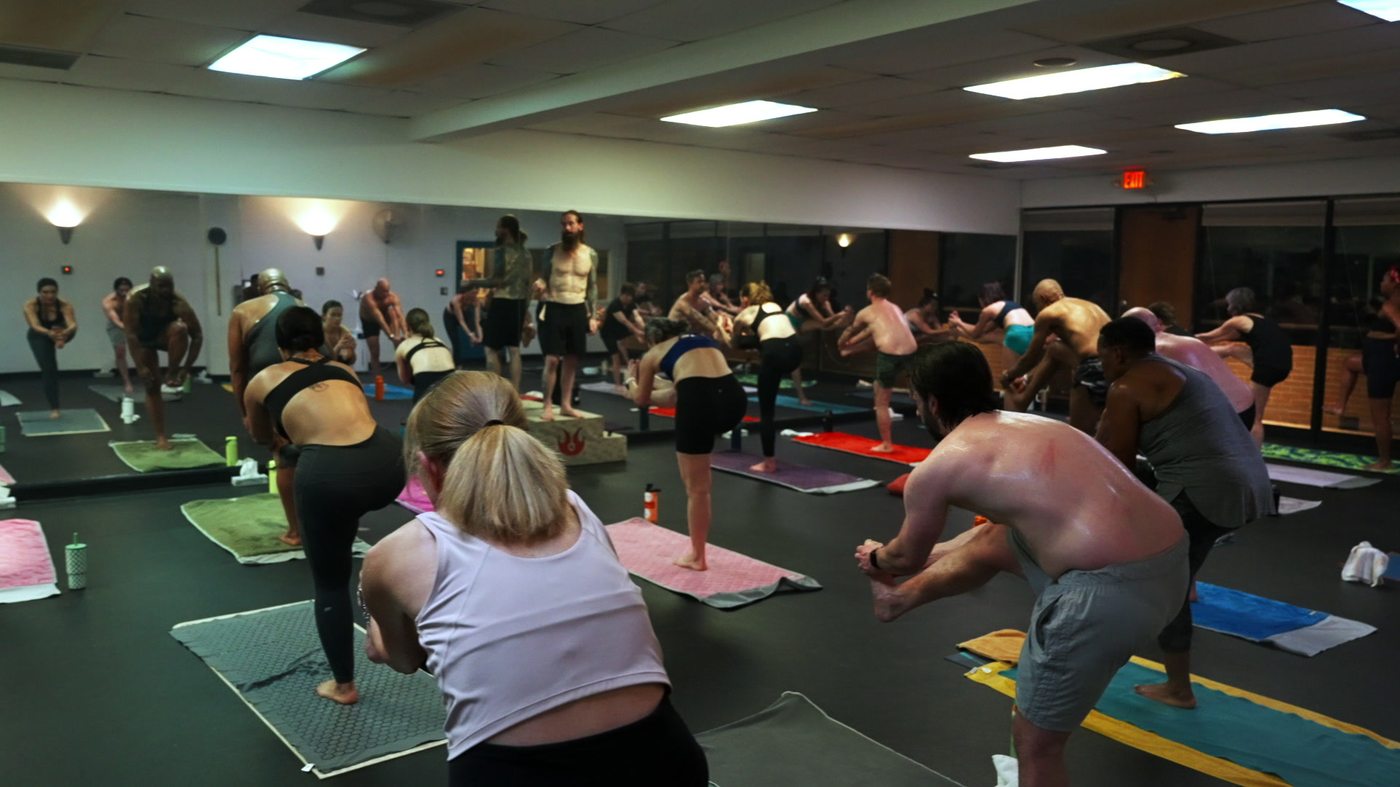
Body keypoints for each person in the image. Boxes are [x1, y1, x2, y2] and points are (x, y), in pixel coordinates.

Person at [853, 341, 1188, 787]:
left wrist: (875, 557)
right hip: (1174, 564)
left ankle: (893, 592)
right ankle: (896, 601)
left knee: (1034, 745)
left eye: (916, 401)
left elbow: (904, 556)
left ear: (932, 403)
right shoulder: (1035, 425)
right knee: (997, 536)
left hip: (1107, 596)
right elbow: (987, 536)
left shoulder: (938, 466)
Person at [360, 372, 707, 785]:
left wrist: (376, 635)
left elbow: (402, 658)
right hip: (666, 759)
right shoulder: (577, 510)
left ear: (428, 470)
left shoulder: (395, 554)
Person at [1095, 317, 1272, 709]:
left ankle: (1178, 689)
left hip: (1204, 489)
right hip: (1251, 482)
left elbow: (1119, 469)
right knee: (1175, 569)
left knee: (1165, 585)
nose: (1101, 364)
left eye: (1102, 356)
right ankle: (1180, 577)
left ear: (1118, 352)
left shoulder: (1126, 387)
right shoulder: (1180, 370)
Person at [244, 306, 402, 706]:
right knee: (344, 513)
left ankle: (344, 686)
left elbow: (264, 438)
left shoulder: (262, 380)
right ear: (321, 339)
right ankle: (408, 641)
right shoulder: (345, 371)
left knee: (331, 583)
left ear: (280, 346)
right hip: (389, 463)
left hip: (331, 477)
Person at [626, 318, 747, 571]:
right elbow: (680, 390)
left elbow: (641, 399)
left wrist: (630, 381)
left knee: (697, 489)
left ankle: (697, 556)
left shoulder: (652, 354)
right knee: (701, 486)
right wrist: (656, 384)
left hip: (699, 401)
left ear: (652, 339)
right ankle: (697, 553)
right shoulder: (702, 341)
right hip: (734, 400)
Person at [228, 268, 302, 544]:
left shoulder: (243, 310)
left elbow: (237, 369)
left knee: (283, 451)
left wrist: (246, 413)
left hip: (269, 378)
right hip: (314, 380)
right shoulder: (304, 307)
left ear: (261, 289)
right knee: (308, 450)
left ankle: (295, 530)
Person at [1000, 278, 1111, 435]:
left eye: (1037, 307)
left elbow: (1030, 358)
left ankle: (1021, 399)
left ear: (1044, 299)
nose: (1038, 312)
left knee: (1079, 436)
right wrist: (1025, 377)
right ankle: (1023, 397)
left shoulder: (1049, 313)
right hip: (1116, 366)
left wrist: (1008, 375)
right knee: (1055, 349)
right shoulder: (1088, 306)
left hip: (1092, 369)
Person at [1121, 307, 1257, 430]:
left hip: (1221, 415)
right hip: (1247, 406)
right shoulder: (1185, 339)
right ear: (1159, 324)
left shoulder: (1151, 348)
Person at [1196, 286, 1293, 446]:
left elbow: (1209, 336)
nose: (1227, 308)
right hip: (1283, 364)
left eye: (1229, 304)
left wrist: (1183, 338)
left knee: (1255, 417)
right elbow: (1224, 339)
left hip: (1268, 365)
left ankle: (1253, 458)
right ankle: (1201, 359)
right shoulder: (1259, 320)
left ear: (1234, 305)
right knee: (1233, 349)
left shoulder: (1238, 320)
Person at [123, 267, 203, 450]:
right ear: (151, 285)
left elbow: (197, 336)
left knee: (180, 329)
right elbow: (131, 335)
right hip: (143, 341)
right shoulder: (135, 299)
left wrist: (185, 369)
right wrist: (140, 367)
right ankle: (160, 436)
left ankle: (171, 373)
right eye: (161, 287)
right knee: (152, 386)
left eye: (169, 286)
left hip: (166, 337)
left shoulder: (178, 302)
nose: (165, 291)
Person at [837, 274, 918, 453]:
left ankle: (887, 444)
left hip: (889, 355)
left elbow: (851, 330)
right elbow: (872, 329)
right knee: (875, 342)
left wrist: (842, 343)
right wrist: (851, 344)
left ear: (870, 292)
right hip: (911, 352)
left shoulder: (866, 312)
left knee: (881, 403)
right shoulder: (895, 308)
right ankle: (850, 351)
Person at [534, 210, 598, 421]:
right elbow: (543, 278)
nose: (567, 228)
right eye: (564, 224)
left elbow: (592, 287)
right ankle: (547, 405)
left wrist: (594, 315)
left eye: (570, 224)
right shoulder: (551, 251)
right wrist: (540, 285)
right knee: (552, 360)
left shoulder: (591, 254)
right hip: (554, 306)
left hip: (578, 308)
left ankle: (566, 404)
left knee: (571, 360)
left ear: (580, 226)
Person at [733, 282, 802, 474]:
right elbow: (767, 335)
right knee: (766, 348)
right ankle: (769, 460)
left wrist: (729, 332)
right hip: (795, 351)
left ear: (745, 299)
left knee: (767, 412)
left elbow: (735, 341)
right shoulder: (776, 307)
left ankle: (769, 463)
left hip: (774, 353)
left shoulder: (747, 312)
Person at [1339, 267, 1400, 468]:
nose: (1381, 284)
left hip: (1383, 360)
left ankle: (1384, 460)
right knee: (1350, 363)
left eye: (1384, 280)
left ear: (1394, 284)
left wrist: (1391, 339)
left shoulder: (1391, 305)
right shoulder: (1391, 304)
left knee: (1380, 415)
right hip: (1376, 358)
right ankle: (1340, 405)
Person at [476, 216, 534, 390]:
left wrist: (472, 282)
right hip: (518, 303)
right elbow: (528, 285)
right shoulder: (526, 254)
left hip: (502, 301)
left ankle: (495, 390)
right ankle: (515, 392)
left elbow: (496, 281)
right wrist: (525, 310)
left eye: (498, 227)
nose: (496, 231)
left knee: (491, 349)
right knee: (514, 349)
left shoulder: (501, 251)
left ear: (505, 230)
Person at [786, 277, 852, 403]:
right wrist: (840, 315)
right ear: (816, 293)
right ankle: (802, 397)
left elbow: (832, 320)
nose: (826, 298)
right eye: (824, 295)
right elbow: (823, 320)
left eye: (828, 295)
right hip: (789, 321)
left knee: (828, 326)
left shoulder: (825, 301)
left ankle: (848, 327)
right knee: (795, 359)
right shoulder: (806, 302)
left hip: (802, 322)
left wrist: (845, 317)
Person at [23, 278, 78, 419]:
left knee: (69, 329)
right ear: (39, 292)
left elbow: (72, 324)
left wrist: (63, 334)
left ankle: (60, 340)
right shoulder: (30, 305)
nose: (49, 296)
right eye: (45, 292)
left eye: (53, 292)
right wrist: (50, 334)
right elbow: (34, 325)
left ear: (57, 292)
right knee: (49, 369)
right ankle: (54, 408)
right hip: (39, 335)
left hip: (61, 331)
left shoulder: (64, 305)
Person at [948, 282, 1035, 367]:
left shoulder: (988, 310)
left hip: (1016, 333)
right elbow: (984, 331)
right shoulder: (1010, 305)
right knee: (991, 336)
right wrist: (960, 330)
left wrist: (958, 322)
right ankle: (958, 332)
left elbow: (975, 333)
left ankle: (957, 332)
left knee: (1008, 377)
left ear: (983, 299)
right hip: (1034, 332)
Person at [396, 308, 458, 403]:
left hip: (425, 378)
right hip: (450, 378)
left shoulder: (404, 345)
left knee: (420, 415)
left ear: (407, 325)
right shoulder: (439, 341)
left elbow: (405, 380)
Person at [359, 277, 407, 380]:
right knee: (375, 351)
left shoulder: (392, 297)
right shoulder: (368, 299)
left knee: (393, 313)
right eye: (383, 291)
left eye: (387, 291)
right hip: (369, 321)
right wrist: (391, 336)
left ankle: (404, 375)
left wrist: (406, 333)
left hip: (385, 316)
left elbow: (400, 316)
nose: (386, 294)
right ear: (376, 288)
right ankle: (378, 380)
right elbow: (379, 319)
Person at [601, 283, 647, 389]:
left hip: (621, 330)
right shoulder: (615, 305)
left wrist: (644, 329)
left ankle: (631, 367)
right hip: (609, 332)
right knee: (615, 357)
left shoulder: (631, 304)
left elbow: (637, 317)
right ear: (622, 295)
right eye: (627, 296)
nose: (629, 299)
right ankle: (618, 385)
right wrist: (637, 332)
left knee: (637, 329)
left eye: (631, 296)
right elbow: (625, 321)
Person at [669, 270, 728, 341]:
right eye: (699, 282)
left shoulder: (703, 301)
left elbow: (713, 316)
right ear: (690, 284)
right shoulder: (682, 303)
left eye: (704, 281)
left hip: (690, 335)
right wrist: (719, 332)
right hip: (674, 337)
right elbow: (701, 319)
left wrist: (724, 322)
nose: (703, 284)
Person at [101, 277, 135, 394]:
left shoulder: (135, 297)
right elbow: (115, 321)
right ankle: (127, 381)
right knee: (120, 351)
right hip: (116, 325)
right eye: (122, 291)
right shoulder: (109, 301)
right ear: (116, 290)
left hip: (133, 321)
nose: (125, 293)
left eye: (127, 290)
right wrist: (127, 329)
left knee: (142, 349)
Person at [443, 285, 482, 369]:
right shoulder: (456, 300)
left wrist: (480, 335)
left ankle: (473, 339)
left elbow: (477, 321)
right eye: (472, 293)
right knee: (455, 341)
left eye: (476, 293)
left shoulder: (476, 301)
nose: (474, 295)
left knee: (470, 315)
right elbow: (461, 321)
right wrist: (470, 334)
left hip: (465, 315)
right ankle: (457, 365)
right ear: (466, 292)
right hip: (450, 317)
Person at [320, 300, 358, 366]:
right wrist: (338, 347)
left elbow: (350, 361)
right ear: (324, 316)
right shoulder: (318, 332)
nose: (337, 318)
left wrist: (352, 350)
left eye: (339, 315)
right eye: (333, 315)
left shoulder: (344, 332)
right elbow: (326, 361)